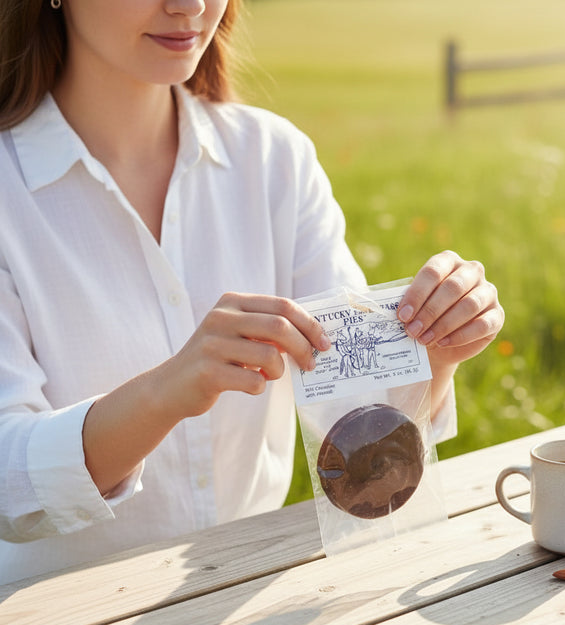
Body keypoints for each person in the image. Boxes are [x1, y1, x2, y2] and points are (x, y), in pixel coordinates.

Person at [0, 0, 504, 585]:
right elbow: (8, 481)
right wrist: (164, 393)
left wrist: (435, 355)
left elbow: (359, 427)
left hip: (248, 599)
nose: (189, 6)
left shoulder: (274, 161)